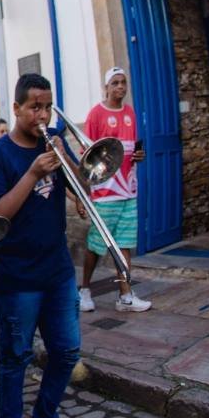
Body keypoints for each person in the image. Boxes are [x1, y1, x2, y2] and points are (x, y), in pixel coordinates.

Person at [0, 74, 81, 418]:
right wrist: (34, 173)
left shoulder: (53, 142)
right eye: (34, 107)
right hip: (16, 275)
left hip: (57, 271)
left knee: (67, 351)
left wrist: (67, 157)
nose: (42, 114)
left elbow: (82, 186)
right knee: (15, 355)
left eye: (47, 106)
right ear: (17, 108)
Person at [78, 67, 150, 313]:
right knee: (96, 245)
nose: (120, 87)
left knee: (125, 244)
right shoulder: (96, 114)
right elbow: (85, 155)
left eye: (123, 83)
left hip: (128, 190)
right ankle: (84, 289)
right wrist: (86, 192)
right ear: (106, 87)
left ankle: (125, 295)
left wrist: (139, 156)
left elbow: (131, 149)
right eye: (115, 83)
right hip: (105, 193)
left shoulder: (129, 112)